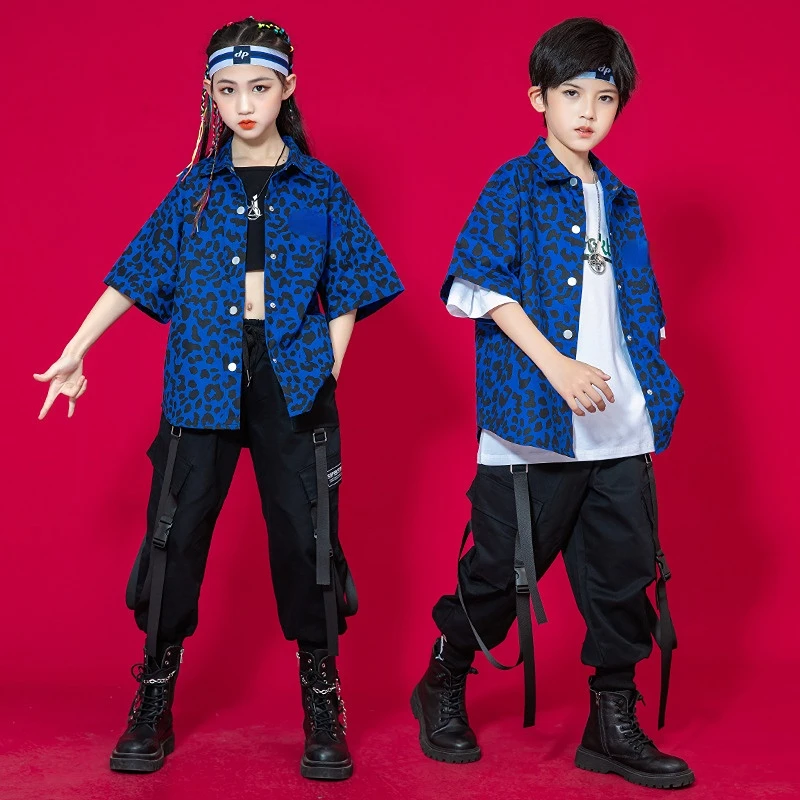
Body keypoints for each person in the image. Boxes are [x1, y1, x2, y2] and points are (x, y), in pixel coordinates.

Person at [34, 16, 402, 781]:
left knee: (307, 537)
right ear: (210, 95)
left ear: (288, 89)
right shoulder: (194, 190)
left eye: (259, 88)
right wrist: (77, 347)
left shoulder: (319, 187)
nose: (245, 104)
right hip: (202, 375)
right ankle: (154, 694)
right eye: (228, 91)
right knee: (174, 532)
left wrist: (329, 368)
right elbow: (135, 271)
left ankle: (321, 695)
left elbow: (350, 284)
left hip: (293, 378)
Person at [410, 17, 693, 789]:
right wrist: (558, 368)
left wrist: (649, 378)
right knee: (500, 572)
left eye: (605, 97)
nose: (588, 112)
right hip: (533, 422)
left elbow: (638, 303)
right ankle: (443, 678)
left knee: (623, 579)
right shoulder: (514, 185)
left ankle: (611, 723)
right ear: (539, 97)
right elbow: (479, 285)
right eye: (572, 94)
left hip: (621, 425)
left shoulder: (623, 199)